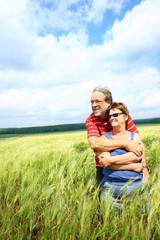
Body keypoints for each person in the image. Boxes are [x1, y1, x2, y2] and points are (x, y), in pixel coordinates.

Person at [85, 86, 150, 185]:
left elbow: (138, 144)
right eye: (92, 102)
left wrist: (144, 167)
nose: (94, 105)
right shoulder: (91, 120)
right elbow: (94, 143)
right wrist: (126, 143)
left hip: (130, 163)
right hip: (104, 167)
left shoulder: (121, 115)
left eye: (98, 101)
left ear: (109, 102)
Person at [99, 102, 149, 213]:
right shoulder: (104, 138)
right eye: (110, 116)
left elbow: (137, 155)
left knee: (139, 224)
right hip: (111, 192)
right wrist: (132, 165)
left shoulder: (134, 136)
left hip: (137, 190)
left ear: (125, 117)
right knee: (110, 225)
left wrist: (111, 160)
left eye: (115, 115)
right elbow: (104, 162)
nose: (112, 118)